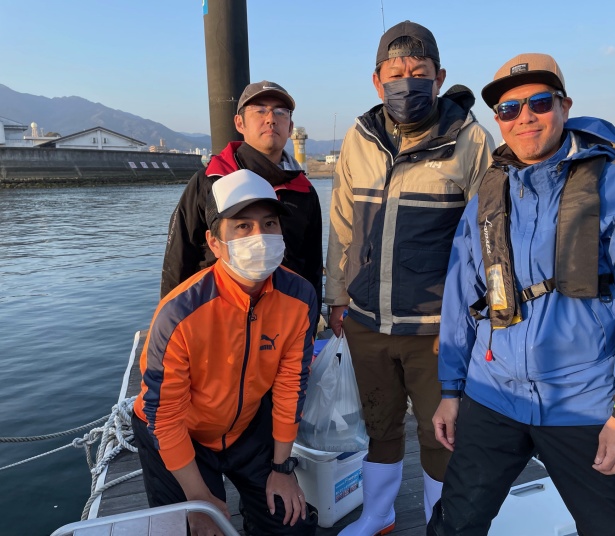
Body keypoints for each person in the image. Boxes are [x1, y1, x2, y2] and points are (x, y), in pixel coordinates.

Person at [428, 53, 615, 535]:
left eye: (540, 103)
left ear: (565, 106)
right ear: (499, 121)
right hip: (491, 392)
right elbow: (462, 299)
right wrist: (450, 390)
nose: (524, 117)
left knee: (611, 528)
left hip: (583, 402)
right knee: (456, 521)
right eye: (509, 109)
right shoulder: (486, 197)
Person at [324, 20, 494, 534]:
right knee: (378, 423)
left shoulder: (471, 139)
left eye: (419, 72)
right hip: (366, 319)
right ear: (377, 81)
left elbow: (489, 240)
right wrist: (336, 296)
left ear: (439, 77)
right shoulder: (358, 137)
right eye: (395, 73)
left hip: (437, 327)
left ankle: (441, 521)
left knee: (442, 430)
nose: (406, 81)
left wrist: (475, 319)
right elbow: (341, 224)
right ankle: (379, 514)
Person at [133, 169, 319, 536]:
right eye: (243, 226)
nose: (260, 236)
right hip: (181, 434)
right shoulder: (179, 312)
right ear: (214, 242)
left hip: (247, 428)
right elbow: (164, 416)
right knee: (195, 529)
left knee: (292, 524)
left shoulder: (300, 297)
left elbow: (291, 386)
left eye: (269, 224)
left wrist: (282, 468)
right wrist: (199, 500)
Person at [160, 80, 323, 317]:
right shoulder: (209, 181)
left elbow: (312, 264)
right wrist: (169, 317)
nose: (271, 119)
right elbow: (179, 256)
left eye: (280, 112)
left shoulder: (304, 191)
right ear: (239, 123)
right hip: (217, 317)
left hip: (284, 320)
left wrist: (311, 319)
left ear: (290, 127)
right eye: (260, 110)